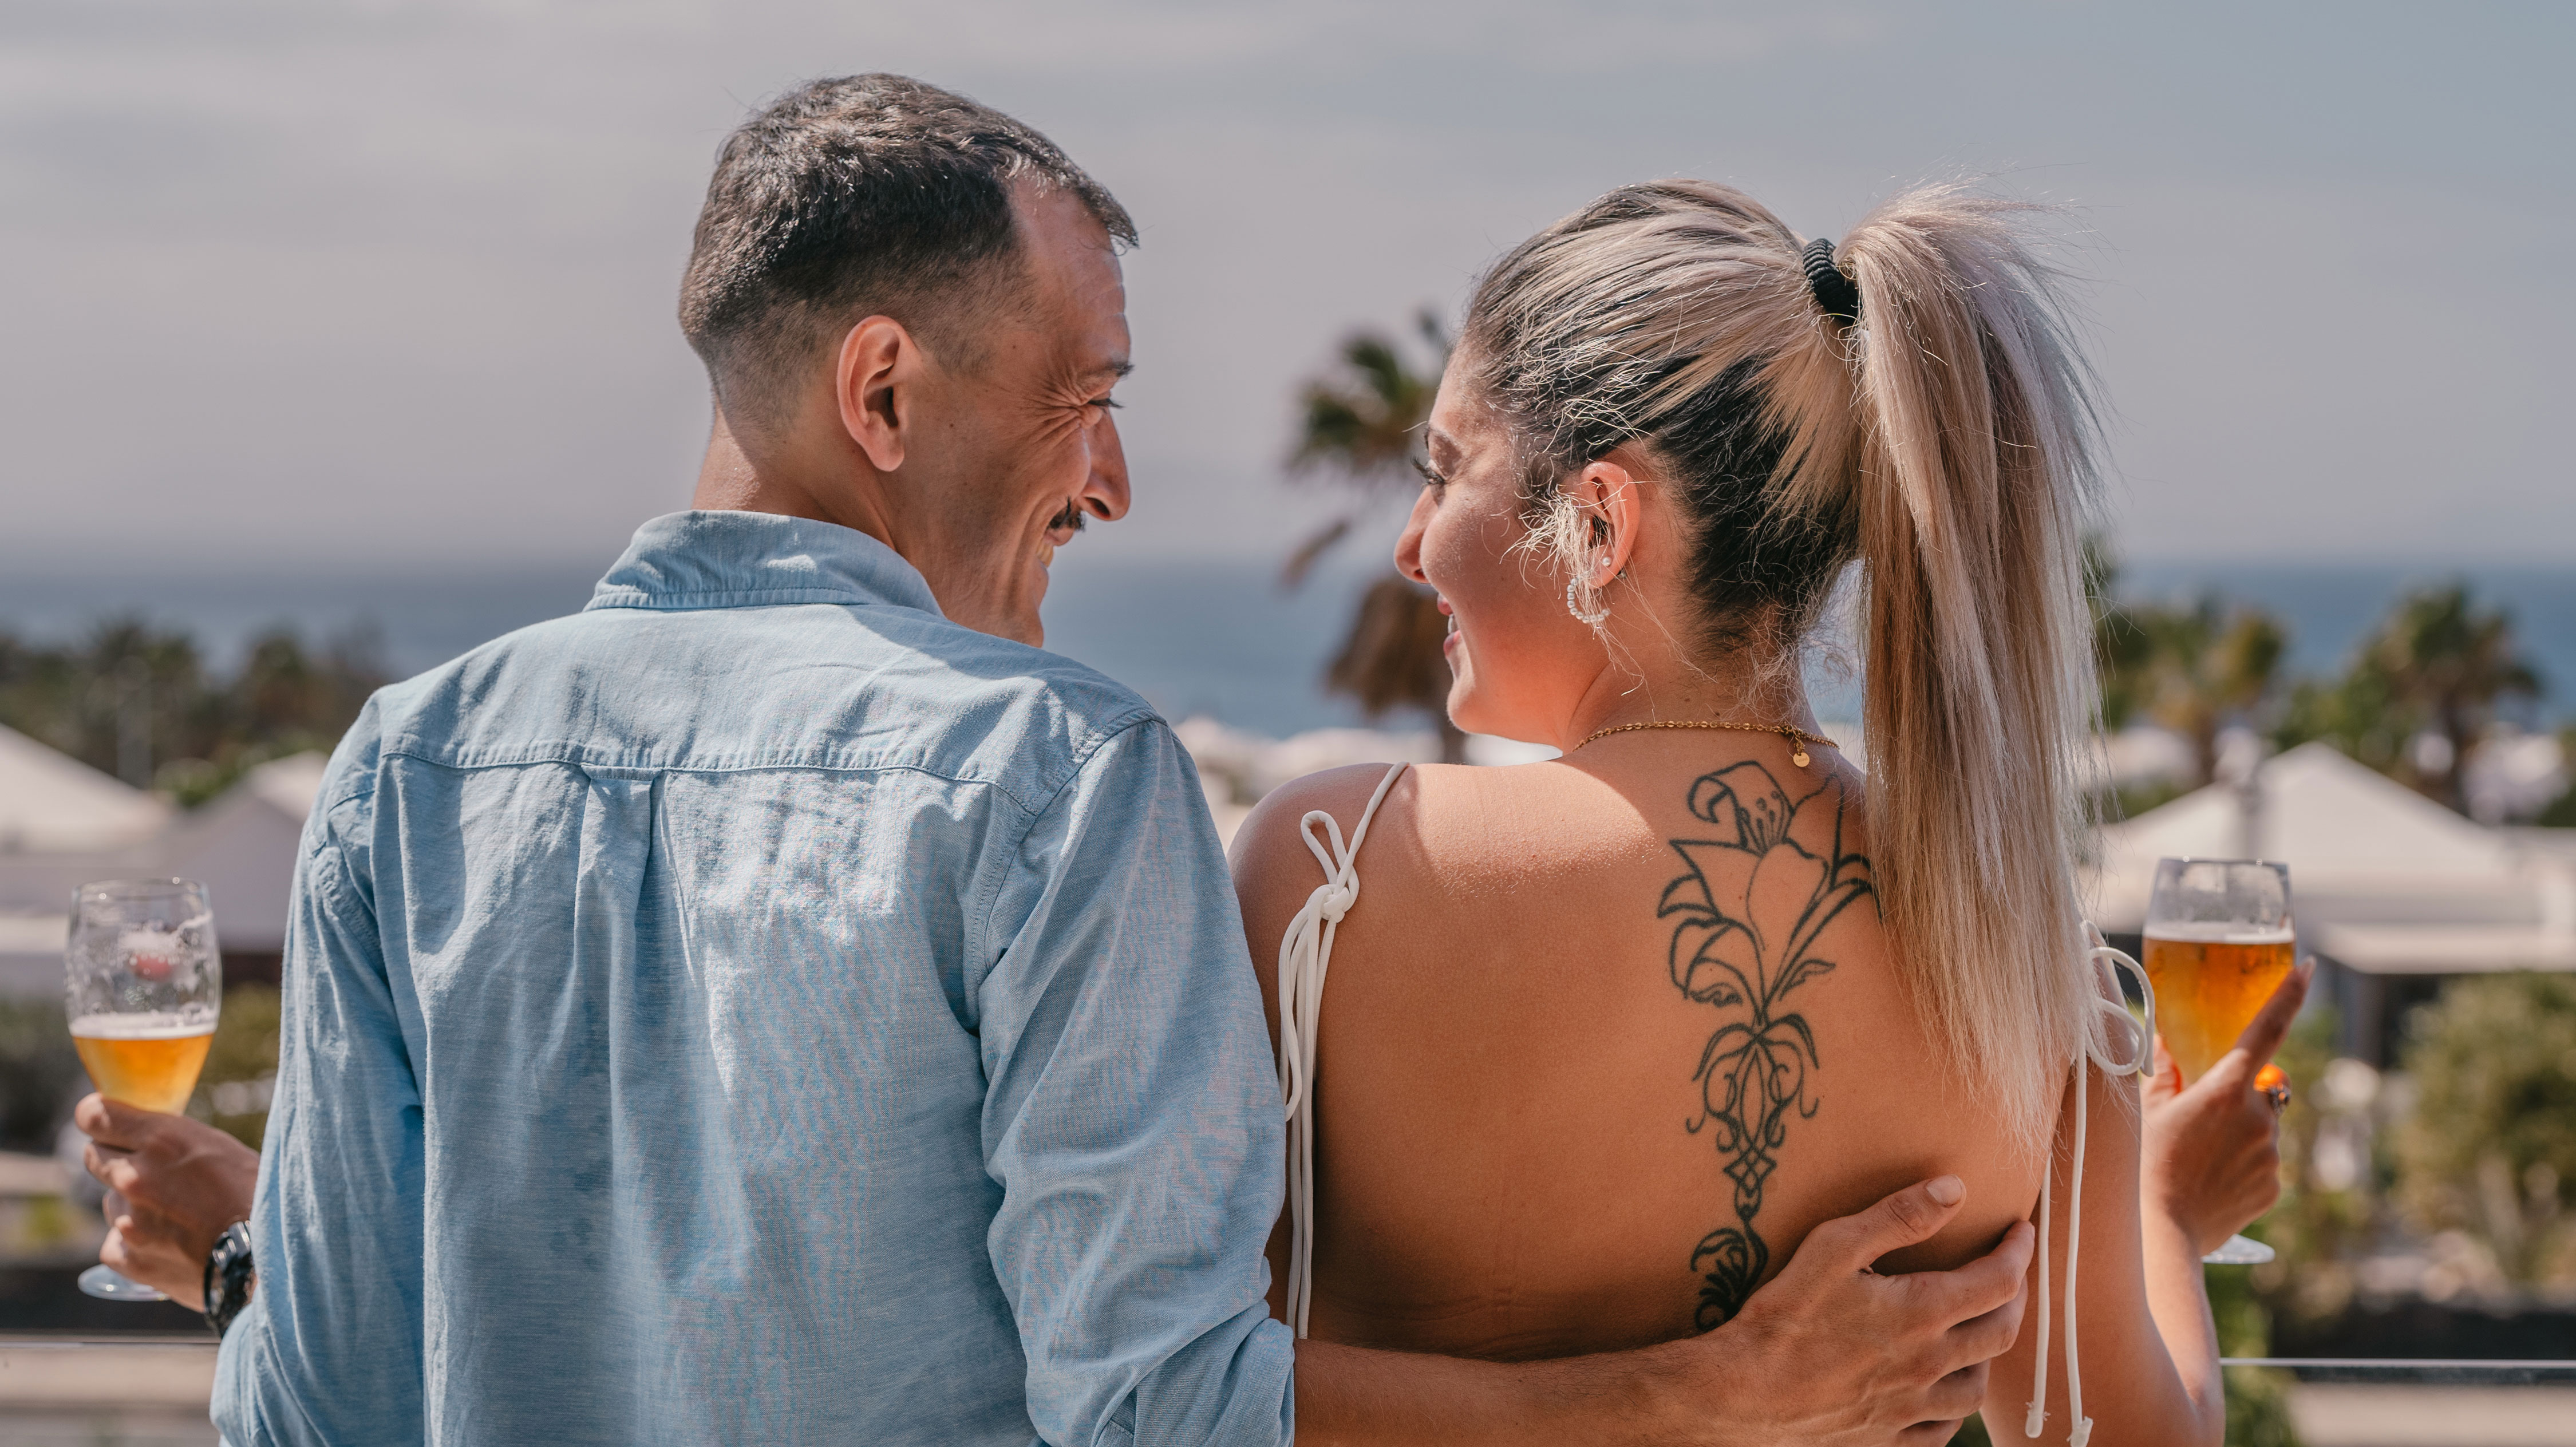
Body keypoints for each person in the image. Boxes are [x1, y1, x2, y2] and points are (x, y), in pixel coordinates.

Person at [85, 78, 2047, 1446]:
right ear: (881, 391)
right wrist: (1696, 1400)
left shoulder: (407, 771)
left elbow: (315, 1409)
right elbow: (1159, 1406)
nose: (1109, 481)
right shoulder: (1053, 777)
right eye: (1085, 398)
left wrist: (258, 1252)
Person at [1231, 180, 2305, 1447]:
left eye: (1447, 471)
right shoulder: (2014, 963)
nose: (1412, 545)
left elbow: (1169, 1394)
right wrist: (2163, 1216)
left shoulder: (1340, 871)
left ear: (1599, 518)